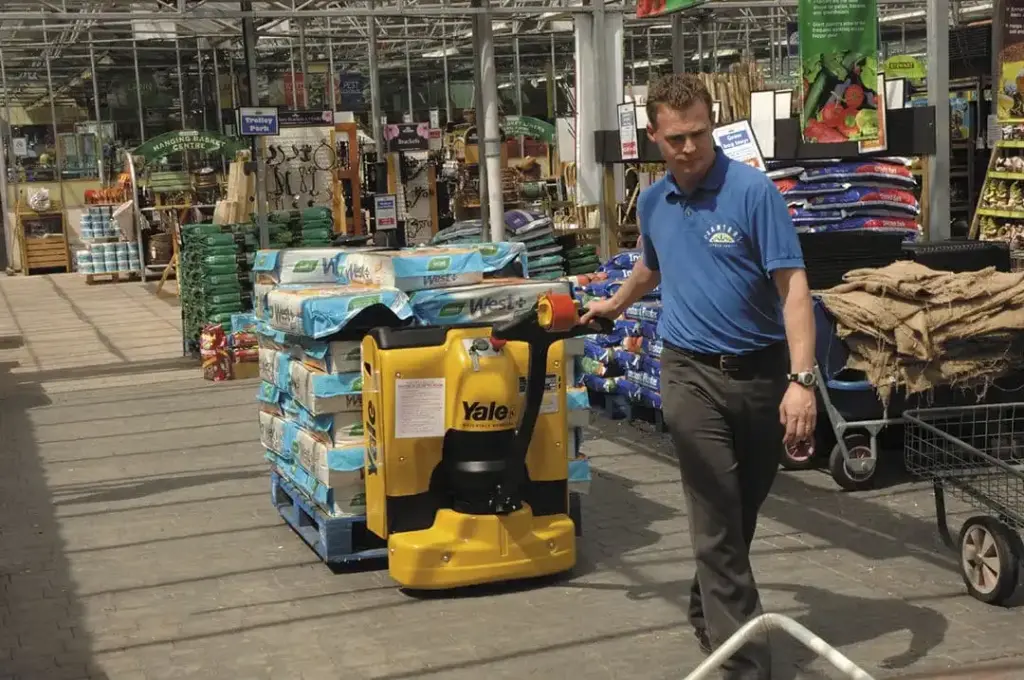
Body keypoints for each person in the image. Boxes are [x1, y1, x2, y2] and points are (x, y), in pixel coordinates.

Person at [582, 73, 817, 679]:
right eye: (676, 138)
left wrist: (801, 380)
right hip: (686, 373)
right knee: (714, 512)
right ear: (655, 136)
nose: (689, 148)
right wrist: (614, 304)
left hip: (763, 374)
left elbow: (793, 290)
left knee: (740, 512)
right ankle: (747, 668)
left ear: (711, 127)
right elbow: (649, 267)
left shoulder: (752, 193)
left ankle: (705, 604)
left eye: (699, 134)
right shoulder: (656, 201)